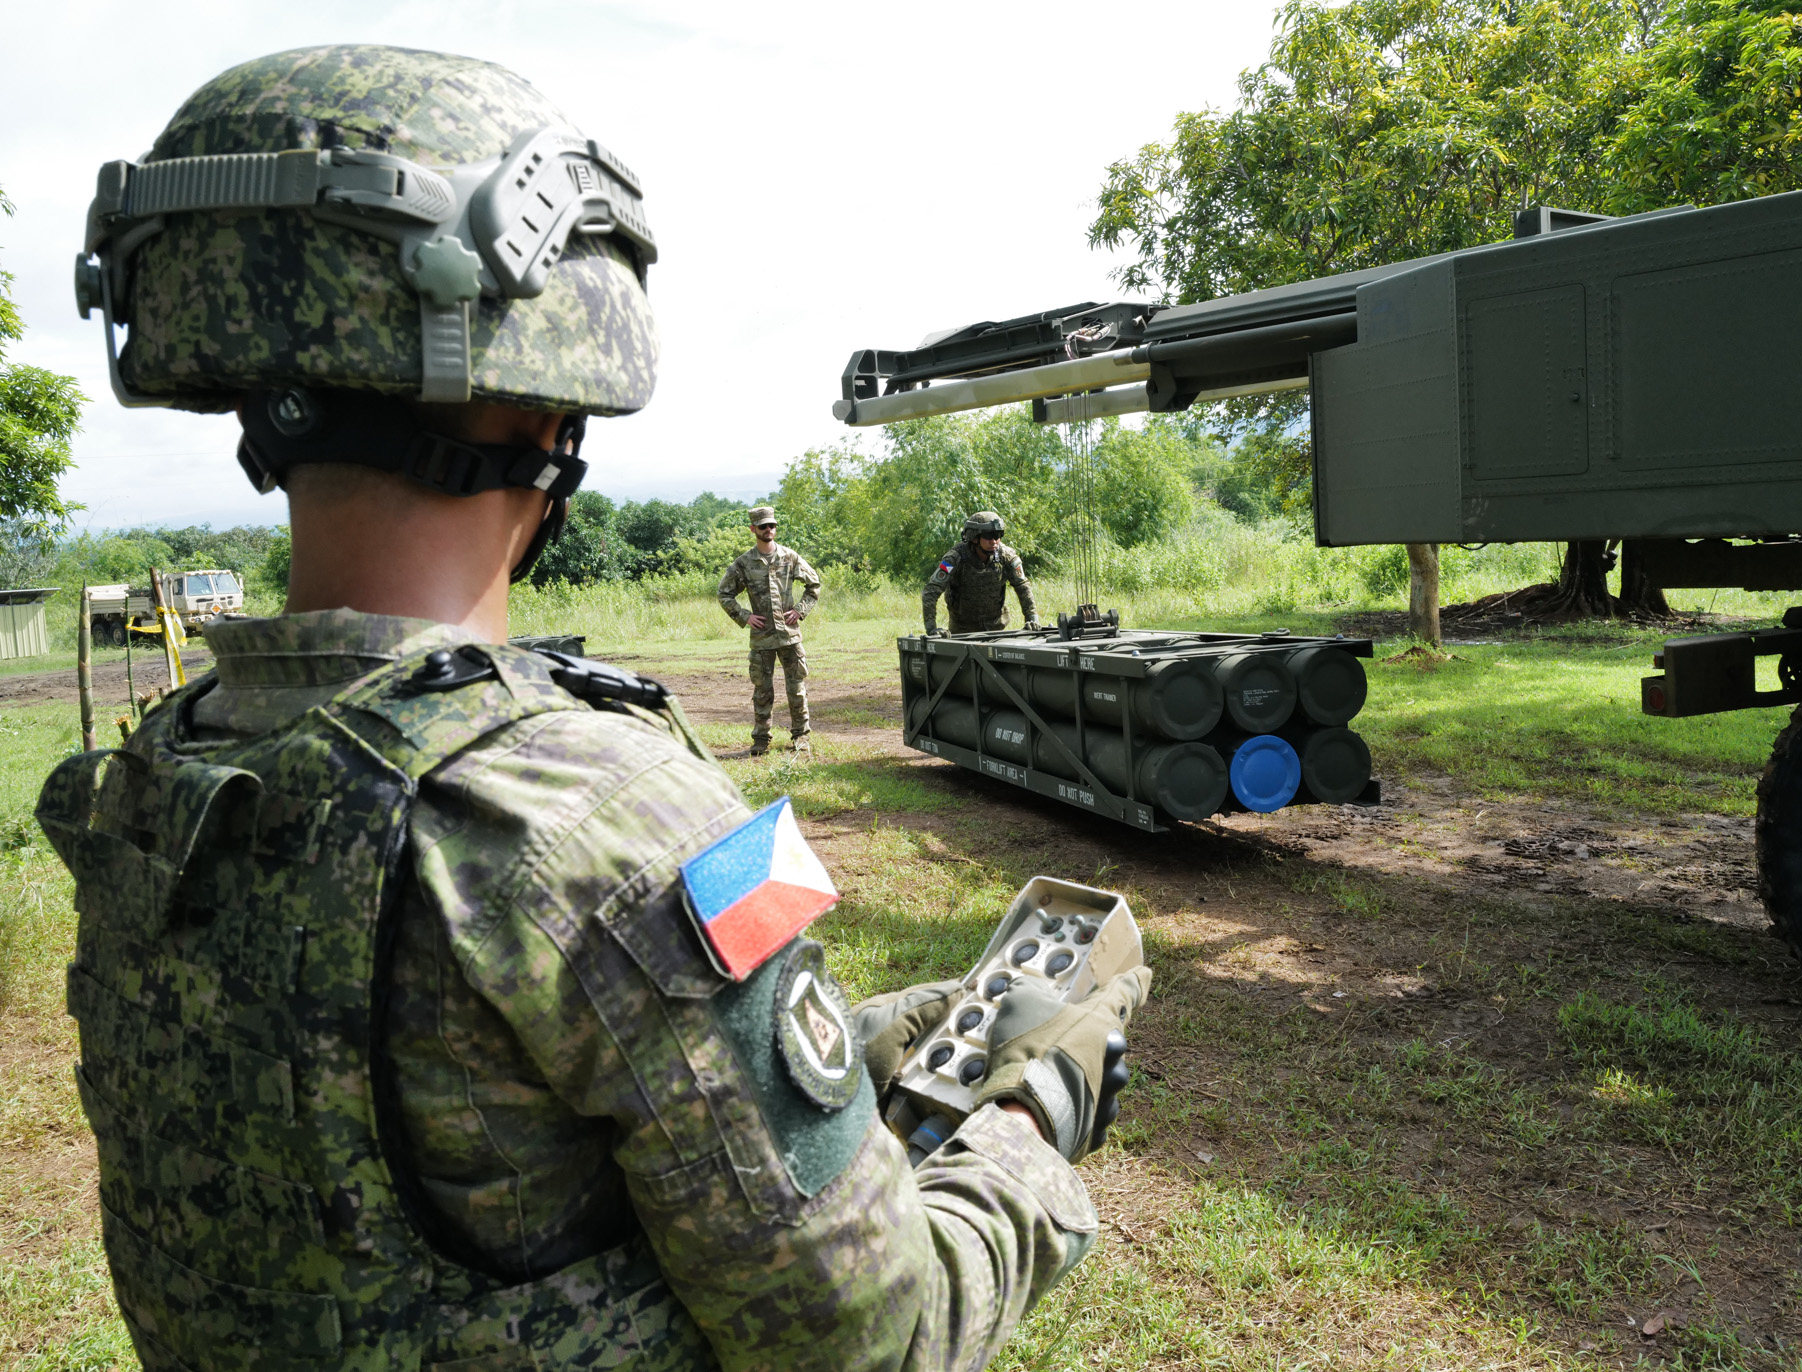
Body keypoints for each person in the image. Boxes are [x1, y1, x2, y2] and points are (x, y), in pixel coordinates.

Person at [45, 45, 1148, 1372]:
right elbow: (879, 1336)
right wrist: (1033, 1122)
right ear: (540, 387)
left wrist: (869, 1037)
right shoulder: (591, 812)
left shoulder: (173, 768)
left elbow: (522, 1114)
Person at [717, 506, 820, 756]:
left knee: (796, 689)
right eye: (763, 526)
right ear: (753, 529)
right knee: (762, 691)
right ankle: (761, 739)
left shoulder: (789, 557)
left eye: (772, 525)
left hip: (789, 636)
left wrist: (800, 610)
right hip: (762, 639)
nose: (768, 530)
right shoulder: (743, 563)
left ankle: (801, 736)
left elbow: (813, 584)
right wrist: (744, 616)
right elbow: (724, 593)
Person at [921, 510, 1040, 636]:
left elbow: (1023, 587)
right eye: (989, 536)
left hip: (996, 630)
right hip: (961, 632)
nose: (994, 541)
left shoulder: (1007, 556)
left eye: (998, 535)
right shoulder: (954, 558)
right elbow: (931, 590)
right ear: (974, 537)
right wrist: (932, 629)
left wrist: (1032, 620)